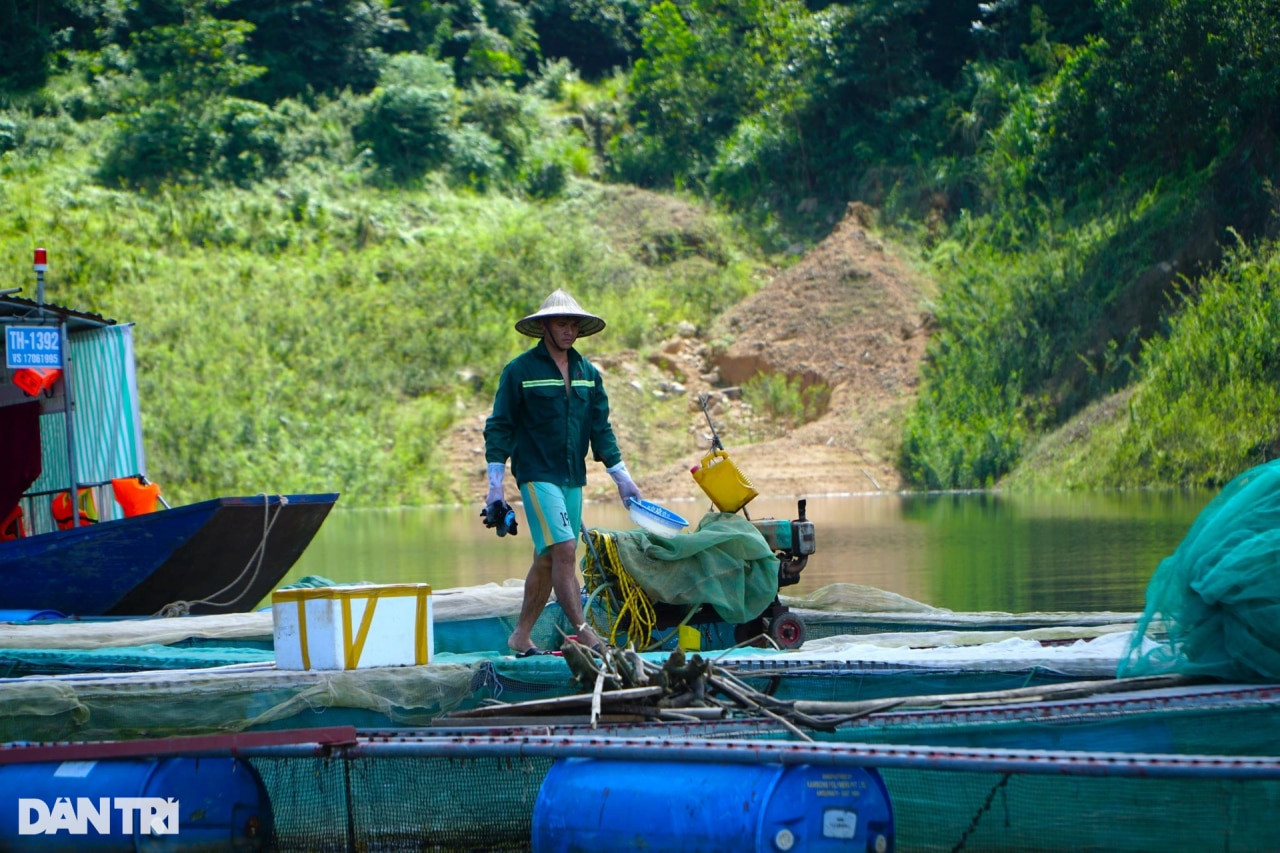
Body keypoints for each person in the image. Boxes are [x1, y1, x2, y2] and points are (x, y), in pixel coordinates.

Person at [483, 289, 642, 655]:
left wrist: (623, 479)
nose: (568, 330)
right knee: (567, 549)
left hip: (573, 477)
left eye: (572, 324)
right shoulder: (520, 371)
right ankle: (583, 630)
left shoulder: (589, 375)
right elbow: (500, 427)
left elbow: (601, 431)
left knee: (548, 557)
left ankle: (520, 636)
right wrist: (495, 488)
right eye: (560, 323)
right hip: (537, 475)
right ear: (545, 327)